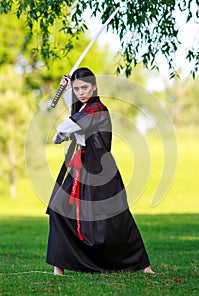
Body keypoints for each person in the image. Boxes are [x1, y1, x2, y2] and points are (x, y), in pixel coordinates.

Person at [46, 67, 154, 275]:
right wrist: (66, 93)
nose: (81, 92)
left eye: (84, 88)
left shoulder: (97, 109)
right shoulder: (85, 109)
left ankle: (144, 266)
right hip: (82, 168)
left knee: (117, 218)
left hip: (102, 170)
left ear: (94, 87)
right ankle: (58, 268)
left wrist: (65, 97)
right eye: (76, 89)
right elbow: (64, 131)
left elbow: (63, 131)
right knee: (59, 208)